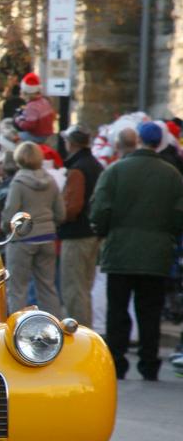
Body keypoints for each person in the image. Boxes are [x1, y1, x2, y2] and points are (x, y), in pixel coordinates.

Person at [89, 121, 183, 381]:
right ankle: (149, 363)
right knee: (150, 312)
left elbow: (100, 211)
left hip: (120, 251)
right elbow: (179, 215)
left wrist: (105, 231)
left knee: (117, 311)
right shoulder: (172, 175)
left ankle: (117, 362)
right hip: (157, 254)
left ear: (139, 140)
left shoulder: (116, 171)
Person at [0, 142, 65, 316]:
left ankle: (17, 328)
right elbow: (61, 213)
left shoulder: (19, 182)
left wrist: (6, 228)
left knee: (17, 288)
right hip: (47, 237)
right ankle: (55, 325)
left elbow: (9, 213)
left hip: (22, 239)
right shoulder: (51, 181)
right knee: (47, 287)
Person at [57, 126, 103, 326]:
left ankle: (79, 333)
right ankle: (86, 330)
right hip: (90, 233)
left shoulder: (78, 169)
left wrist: (57, 215)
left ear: (72, 143)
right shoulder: (94, 165)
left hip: (76, 235)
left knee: (74, 289)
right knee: (84, 287)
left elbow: (72, 207)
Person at [13, 73, 55, 143]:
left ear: (26, 92)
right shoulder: (44, 100)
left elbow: (29, 126)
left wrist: (17, 120)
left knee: (14, 137)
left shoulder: (32, 106)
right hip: (47, 133)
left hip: (38, 136)